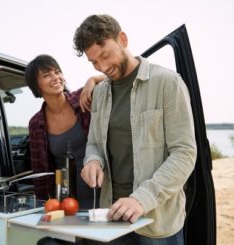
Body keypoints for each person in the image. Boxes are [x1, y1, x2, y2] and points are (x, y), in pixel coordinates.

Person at [73, 14, 197, 244]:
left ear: (122, 39)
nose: (102, 66)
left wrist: (141, 199)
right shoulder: (99, 94)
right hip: (111, 215)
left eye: (105, 55)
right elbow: (94, 144)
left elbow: (184, 153)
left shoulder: (167, 83)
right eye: (94, 62)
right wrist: (93, 161)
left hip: (156, 218)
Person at [25, 54, 104, 209]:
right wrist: (43, 207)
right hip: (69, 200)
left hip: (104, 191)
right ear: (36, 85)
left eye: (57, 72)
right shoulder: (36, 123)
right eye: (47, 75)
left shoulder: (83, 97)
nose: (56, 78)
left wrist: (92, 80)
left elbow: (116, 78)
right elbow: (40, 173)